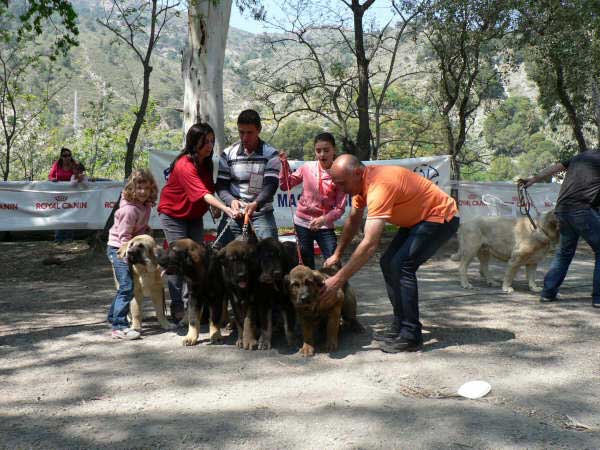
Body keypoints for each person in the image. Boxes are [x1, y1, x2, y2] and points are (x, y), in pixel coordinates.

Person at [320, 154, 459, 353]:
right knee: (388, 262)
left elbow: (369, 244)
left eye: (342, 183)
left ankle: (411, 335)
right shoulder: (360, 186)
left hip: (441, 216)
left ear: (357, 172)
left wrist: (337, 280)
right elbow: (353, 221)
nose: (341, 189)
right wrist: (337, 253)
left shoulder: (380, 186)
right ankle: (401, 324)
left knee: (402, 266)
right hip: (416, 220)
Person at [158, 122, 237, 322]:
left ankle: (193, 304)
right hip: (173, 214)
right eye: (205, 142)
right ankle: (179, 306)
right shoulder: (184, 164)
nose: (210, 146)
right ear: (194, 143)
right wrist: (225, 208)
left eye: (212, 141)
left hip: (194, 216)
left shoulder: (206, 162)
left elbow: (207, 189)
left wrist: (213, 209)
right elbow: (201, 193)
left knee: (197, 259)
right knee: (178, 259)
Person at [520, 149, 600, 307]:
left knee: (564, 253)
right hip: (582, 209)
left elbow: (557, 167)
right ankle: (598, 298)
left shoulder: (583, 156)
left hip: (562, 209)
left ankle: (548, 293)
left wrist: (534, 179)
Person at [279, 132, 347, 268]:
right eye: (318, 151)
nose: (322, 154)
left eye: (326, 150)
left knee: (333, 262)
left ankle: (335, 288)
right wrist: (284, 164)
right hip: (302, 224)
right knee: (306, 265)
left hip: (325, 226)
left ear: (334, 150)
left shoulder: (340, 173)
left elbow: (340, 208)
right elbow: (285, 185)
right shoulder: (307, 168)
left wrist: (323, 219)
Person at [106, 168, 158, 340]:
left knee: (124, 286)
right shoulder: (129, 210)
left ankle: (113, 316)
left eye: (147, 188)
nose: (143, 192)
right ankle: (119, 327)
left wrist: (145, 230)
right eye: (139, 188)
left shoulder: (145, 205)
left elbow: (138, 228)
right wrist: (128, 258)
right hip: (119, 248)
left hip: (130, 246)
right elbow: (124, 236)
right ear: (131, 189)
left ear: (152, 189)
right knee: (127, 286)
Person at [216, 109, 281, 243]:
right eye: (241, 132)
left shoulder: (271, 154)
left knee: (270, 256)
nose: (245, 137)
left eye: (249, 133)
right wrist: (231, 201)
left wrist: (256, 204)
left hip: (261, 214)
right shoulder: (228, 154)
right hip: (234, 214)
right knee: (223, 255)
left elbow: (271, 185)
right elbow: (221, 186)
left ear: (259, 130)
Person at [48, 147, 76, 242]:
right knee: (59, 214)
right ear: (61, 157)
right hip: (59, 193)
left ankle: (69, 237)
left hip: (72, 193)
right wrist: (53, 180)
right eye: (64, 155)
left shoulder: (74, 165)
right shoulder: (57, 164)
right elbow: (50, 176)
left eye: (69, 155)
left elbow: (80, 176)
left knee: (70, 214)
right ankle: (58, 238)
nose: (67, 157)